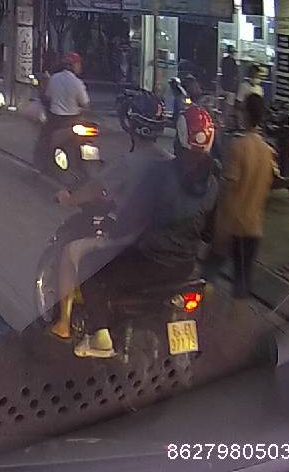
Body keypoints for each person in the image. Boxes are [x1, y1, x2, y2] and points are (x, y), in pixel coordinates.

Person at [72, 106, 220, 358]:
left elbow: (132, 217)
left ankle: (100, 337)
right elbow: (209, 233)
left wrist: (111, 234)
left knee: (90, 267)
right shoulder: (213, 184)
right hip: (184, 266)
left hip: (149, 262)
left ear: (178, 138)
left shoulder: (160, 174)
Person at [49, 94, 174, 340]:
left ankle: (63, 324)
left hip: (127, 240)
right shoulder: (170, 160)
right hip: (159, 242)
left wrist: (68, 199)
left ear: (131, 124)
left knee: (71, 252)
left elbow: (93, 189)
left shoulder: (128, 162)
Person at [206, 93, 272, 298]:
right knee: (241, 287)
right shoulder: (267, 151)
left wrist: (216, 224)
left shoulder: (238, 147)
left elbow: (227, 189)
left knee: (207, 277)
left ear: (246, 114)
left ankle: (203, 313)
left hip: (232, 227)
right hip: (254, 230)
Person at [36, 52, 90, 163]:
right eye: (78, 64)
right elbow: (85, 103)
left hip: (55, 119)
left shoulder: (54, 79)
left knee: (44, 141)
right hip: (74, 119)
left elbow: (48, 97)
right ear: (73, 65)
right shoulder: (77, 83)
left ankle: (41, 164)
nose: (80, 66)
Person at [220, 45, 239, 111]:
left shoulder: (224, 60)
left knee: (223, 103)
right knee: (229, 106)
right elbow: (235, 73)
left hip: (224, 85)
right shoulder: (233, 61)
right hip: (231, 86)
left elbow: (223, 71)